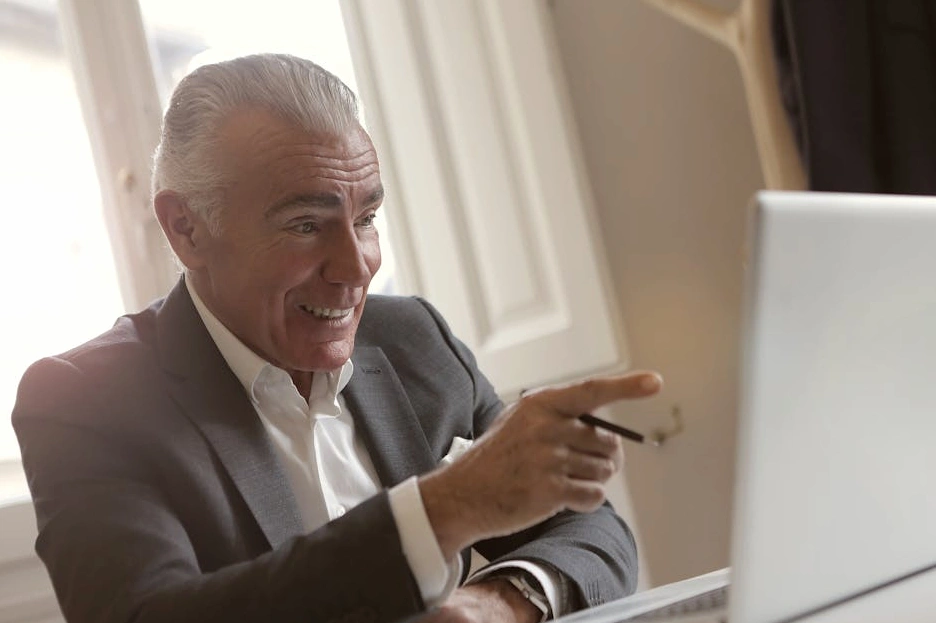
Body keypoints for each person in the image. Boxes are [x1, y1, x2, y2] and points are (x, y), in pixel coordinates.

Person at [13, 54, 662, 623]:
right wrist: (443, 508)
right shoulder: (85, 401)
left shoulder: (413, 339)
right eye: (305, 224)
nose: (357, 267)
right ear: (186, 228)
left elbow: (590, 528)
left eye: (367, 217)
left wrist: (500, 600)